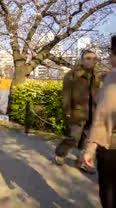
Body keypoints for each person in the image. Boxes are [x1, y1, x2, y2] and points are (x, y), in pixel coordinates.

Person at [82, 36, 116, 208]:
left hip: (111, 145)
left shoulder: (111, 78)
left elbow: (104, 114)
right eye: (89, 58)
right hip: (81, 113)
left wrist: (91, 147)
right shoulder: (72, 75)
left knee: (109, 189)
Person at [54, 49, 101, 171]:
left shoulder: (96, 75)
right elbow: (66, 95)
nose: (92, 61)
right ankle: (60, 153)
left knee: (87, 139)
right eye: (88, 58)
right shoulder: (72, 75)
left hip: (92, 112)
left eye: (94, 59)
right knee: (73, 137)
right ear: (82, 60)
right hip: (76, 112)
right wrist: (67, 111)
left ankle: (82, 162)